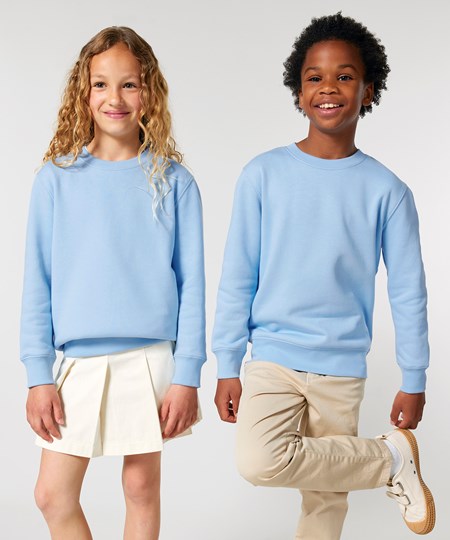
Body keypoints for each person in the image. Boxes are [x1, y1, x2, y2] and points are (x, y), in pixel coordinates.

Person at [212, 12, 435, 539]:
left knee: (326, 500)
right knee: (259, 460)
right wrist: (226, 361)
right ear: (298, 91)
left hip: (341, 366)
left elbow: (408, 292)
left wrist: (415, 378)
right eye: (315, 77)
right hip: (273, 357)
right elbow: (238, 274)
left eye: (345, 76)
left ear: (368, 90)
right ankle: (390, 459)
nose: (328, 88)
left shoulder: (388, 191)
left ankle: (389, 460)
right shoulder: (263, 174)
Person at [20, 26, 205, 540]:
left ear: (150, 92)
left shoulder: (174, 182)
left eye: (129, 84)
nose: (115, 98)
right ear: (84, 92)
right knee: (52, 495)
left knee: (141, 488)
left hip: (150, 357)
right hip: (77, 360)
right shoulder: (56, 178)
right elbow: (38, 281)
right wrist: (37, 374)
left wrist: (188, 375)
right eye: (101, 84)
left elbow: (192, 285)